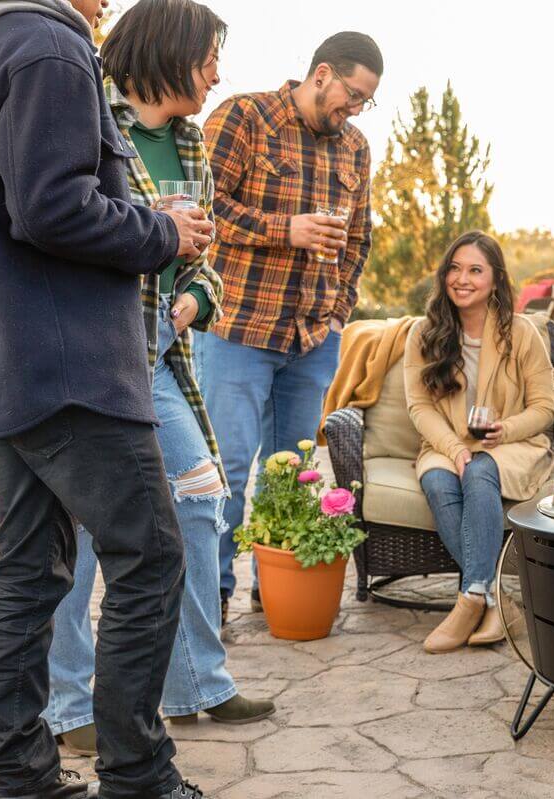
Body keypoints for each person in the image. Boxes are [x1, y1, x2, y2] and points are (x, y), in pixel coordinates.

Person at [0, 0, 214, 797]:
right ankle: (139, 775)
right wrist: (163, 233)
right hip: (71, 368)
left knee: (30, 571)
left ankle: (20, 773)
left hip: (3, 368)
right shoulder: (48, 47)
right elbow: (50, 208)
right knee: (150, 557)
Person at [42, 0, 275, 761]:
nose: (216, 72)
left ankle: (194, 682)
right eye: (209, 55)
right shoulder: (92, 111)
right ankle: (67, 704)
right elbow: (66, 225)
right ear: (172, 51)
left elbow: (205, 258)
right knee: (73, 525)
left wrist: (193, 297)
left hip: (158, 351)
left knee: (201, 498)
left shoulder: (190, 140)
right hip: (89, 353)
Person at [198, 31, 382, 619]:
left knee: (293, 475)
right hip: (237, 330)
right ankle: (212, 599)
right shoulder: (244, 117)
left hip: (312, 339)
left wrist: (338, 313)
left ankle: (276, 590)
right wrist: (287, 229)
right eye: (352, 95)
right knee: (225, 470)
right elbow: (202, 209)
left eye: (365, 102)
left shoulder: (354, 146)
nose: (353, 110)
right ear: (322, 73)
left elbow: (359, 236)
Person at [404, 232, 554, 653]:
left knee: (480, 468)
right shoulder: (425, 333)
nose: (462, 278)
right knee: (437, 481)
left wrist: (505, 430)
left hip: (513, 444)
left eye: (475, 270)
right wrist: (454, 450)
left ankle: (471, 595)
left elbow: (546, 407)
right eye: (454, 268)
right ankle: (496, 601)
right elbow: (420, 408)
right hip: (446, 443)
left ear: (495, 279)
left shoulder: (521, 333)